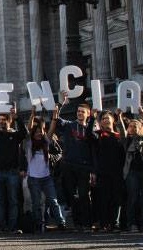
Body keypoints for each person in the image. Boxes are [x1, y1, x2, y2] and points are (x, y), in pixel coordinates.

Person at [48, 91, 94, 232]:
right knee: (72, 196)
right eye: (78, 111)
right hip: (69, 165)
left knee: (84, 196)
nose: (79, 113)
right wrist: (60, 104)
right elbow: (56, 118)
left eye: (82, 112)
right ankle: (77, 224)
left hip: (84, 167)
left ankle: (87, 223)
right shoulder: (69, 125)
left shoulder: (91, 129)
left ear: (88, 114)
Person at [0, 106, 28, 234]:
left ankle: (12, 227)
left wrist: (17, 118)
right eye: (0, 119)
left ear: (9, 121)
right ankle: (1, 226)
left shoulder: (15, 135)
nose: (1, 122)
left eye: (4, 120)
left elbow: (24, 133)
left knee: (13, 200)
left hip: (12, 172)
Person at [25, 107, 63, 233]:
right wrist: (32, 114)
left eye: (40, 132)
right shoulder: (29, 144)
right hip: (34, 178)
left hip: (46, 178)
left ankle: (61, 223)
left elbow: (51, 130)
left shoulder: (46, 142)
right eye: (36, 132)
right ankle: (38, 224)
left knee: (53, 201)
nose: (38, 134)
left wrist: (54, 117)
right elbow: (29, 129)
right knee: (36, 203)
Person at [91, 109, 125, 232]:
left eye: (107, 118)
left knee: (116, 199)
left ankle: (114, 223)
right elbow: (90, 134)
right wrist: (93, 118)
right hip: (102, 172)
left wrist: (120, 117)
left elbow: (124, 140)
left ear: (113, 120)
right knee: (104, 199)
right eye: (103, 118)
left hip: (117, 172)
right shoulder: (98, 135)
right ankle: (104, 223)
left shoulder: (118, 136)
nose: (106, 120)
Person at [123, 107, 143, 233]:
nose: (133, 128)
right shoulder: (126, 141)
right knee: (133, 198)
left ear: (140, 128)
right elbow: (120, 128)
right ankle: (132, 224)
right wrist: (119, 117)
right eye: (130, 126)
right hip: (132, 173)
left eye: (136, 126)